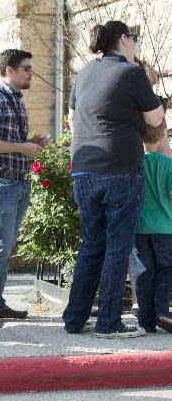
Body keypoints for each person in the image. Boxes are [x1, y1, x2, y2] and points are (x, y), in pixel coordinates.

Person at [63, 22, 164, 338]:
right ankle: (109, 322)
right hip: (120, 168)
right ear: (123, 39)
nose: (134, 44)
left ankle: (75, 318)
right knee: (118, 247)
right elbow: (156, 120)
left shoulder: (84, 74)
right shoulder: (131, 72)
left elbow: (71, 120)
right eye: (133, 38)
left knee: (93, 244)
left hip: (83, 168)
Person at [0, 49, 43, 328]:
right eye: (26, 68)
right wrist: (22, 147)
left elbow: (10, 142)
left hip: (17, 180)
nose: (31, 73)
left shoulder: (15, 99)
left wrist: (32, 143)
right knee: (1, 244)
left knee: (7, 245)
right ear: (9, 71)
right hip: (2, 182)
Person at [132, 121, 172, 333]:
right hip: (165, 227)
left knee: (143, 271)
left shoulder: (135, 164)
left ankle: (145, 321)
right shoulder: (168, 164)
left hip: (140, 227)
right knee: (166, 269)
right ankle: (163, 311)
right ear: (161, 136)